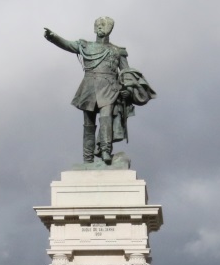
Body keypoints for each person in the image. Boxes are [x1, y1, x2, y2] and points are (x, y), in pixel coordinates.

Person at [44, 17, 156, 165]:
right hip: (89, 87)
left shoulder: (117, 51)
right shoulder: (85, 46)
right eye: (98, 25)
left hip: (110, 87)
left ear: (110, 29)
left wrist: (128, 89)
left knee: (106, 118)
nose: (100, 27)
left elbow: (126, 72)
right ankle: (88, 157)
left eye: (104, 25)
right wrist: (53, 37)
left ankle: (105, 151)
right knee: (88, 124)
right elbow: (68, 45)